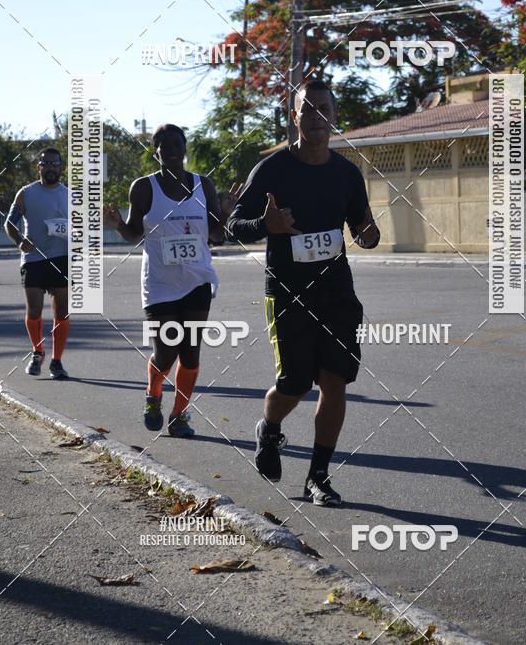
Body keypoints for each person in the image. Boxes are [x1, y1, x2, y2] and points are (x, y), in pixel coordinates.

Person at [227, 79, 380, 506]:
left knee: (335, 383)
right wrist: (266, 225)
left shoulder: (347, 173)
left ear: (334, 115)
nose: (315, 116)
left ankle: (318, 477)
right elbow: (232, 226)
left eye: (323, 108)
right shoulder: (273, 170)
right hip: (289, 293)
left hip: (337, 294)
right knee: (292, 385)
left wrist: (369, 235)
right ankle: (269, 428)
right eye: (306, 109)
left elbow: (362, 228)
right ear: (293, 116)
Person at [104, 124, 238, 437]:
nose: (173, 150)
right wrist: (118, 225)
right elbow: (135, 233)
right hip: (160, 285)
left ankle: (179, 415)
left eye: (178, 144)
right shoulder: (143, 187)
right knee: (166, 352)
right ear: (156, 151)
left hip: (197, 280)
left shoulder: (203, 185)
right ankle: (153, 394)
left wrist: (226, 213)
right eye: (166, 146)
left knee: (190, 353)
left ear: (185, 148)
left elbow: (216, 235)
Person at [5, 147, 70, 379]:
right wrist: (20, 242)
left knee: (61, 311)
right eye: (46, 164)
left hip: (62, 258)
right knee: (33, 310)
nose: (51, 168)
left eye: (55, 164)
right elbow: (9, 224)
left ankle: (56, 361)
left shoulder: (70, 195)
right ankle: (38, 351)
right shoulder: (26, 193)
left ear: (61, 167)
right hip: (34, 260)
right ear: (39, 167)